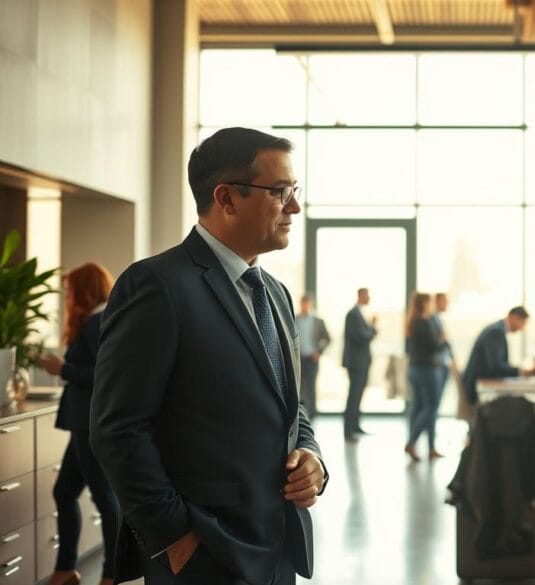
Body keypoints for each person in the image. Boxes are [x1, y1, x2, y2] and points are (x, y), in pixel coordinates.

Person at [90, 127, 327, 585]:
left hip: (277, 548)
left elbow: (287, 405)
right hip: (204, 553)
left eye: (294, 191)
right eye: (281, 192)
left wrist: (311, 457)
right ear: (227, 198)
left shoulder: (275, 294)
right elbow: (117, 430)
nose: (294, 207)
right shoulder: (157, 286)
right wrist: (177, 539)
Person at [38, 263, 119, 585]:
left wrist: (62, 369)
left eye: (71, 290)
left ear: (84, 290)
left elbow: (106, 376)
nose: (67, 296)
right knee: (65, 491)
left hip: (90, 424)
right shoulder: (100, 319)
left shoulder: (98, 322)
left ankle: (113, 573)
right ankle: (65, 570)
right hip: (84, 423)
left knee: (104, 497)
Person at [404, 292, 448, 462]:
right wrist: (443, 339)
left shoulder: (413, 321)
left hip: (415, 368)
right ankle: (412, 441)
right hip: (427, 369)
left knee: (422, 406)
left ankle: (430, 448)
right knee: (431, 408)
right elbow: (433, 346)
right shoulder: (423, 321)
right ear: (424, 304)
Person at [461, 306, 529, 405]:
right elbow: (496, 366)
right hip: (477, 388)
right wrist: (521, 371)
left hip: (479, 383)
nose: (522, 328)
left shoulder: (497, 328)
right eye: (522, 323)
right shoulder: (496, 332)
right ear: (513, 317)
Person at [343, 287, 377, 441]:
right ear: (360, 295)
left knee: (358, 396)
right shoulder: (353, 314)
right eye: (367, 295)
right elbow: (361, 337)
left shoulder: (359, 314)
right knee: (354, 395)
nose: (369, 297)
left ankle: (355, 426)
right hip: (356, 363)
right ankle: (348, 430)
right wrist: (374, 329)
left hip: (361, 362)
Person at [296, 293, 330, 418]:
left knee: (311, 386)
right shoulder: (294, 319)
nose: (304, 306)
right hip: (298, 359)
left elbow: (327, 339)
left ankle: (313, 414)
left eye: (306, 303)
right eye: (302, 303)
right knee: (299, 386)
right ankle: (301, 414)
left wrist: (319, 352)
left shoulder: (318, 321)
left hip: (312, 358)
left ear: (310, 304)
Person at [432, 292, 453, 394]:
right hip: (436, 365)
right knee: (432, 403)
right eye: (445, 301)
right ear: (437, 301)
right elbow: (435, 343)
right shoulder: (432, 319)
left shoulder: (438, 319)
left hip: (442, 364)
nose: (447, 304)